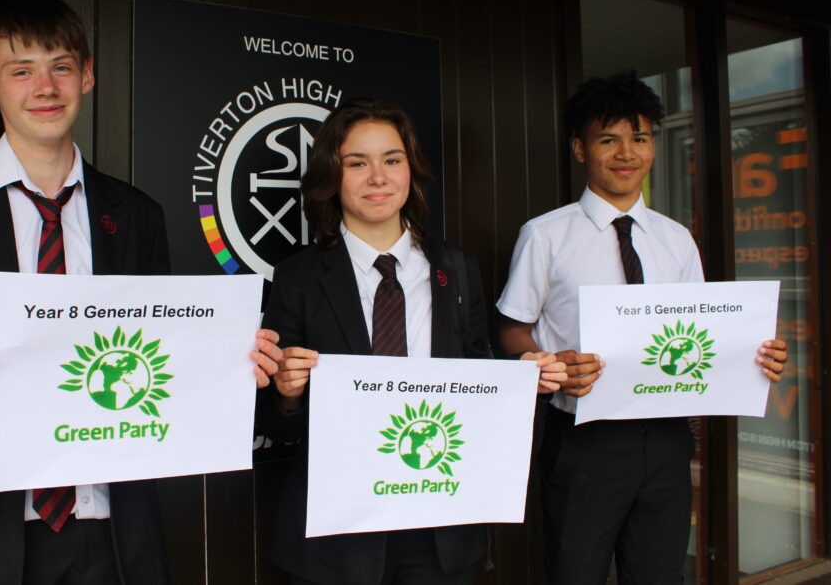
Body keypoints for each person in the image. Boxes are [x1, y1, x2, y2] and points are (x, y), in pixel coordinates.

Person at [0, 0, 282, 585]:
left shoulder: (136, 215)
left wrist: (232, 366)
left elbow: (163, 359)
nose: (45, 86)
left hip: (114, 531)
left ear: (88, 75)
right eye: (20, 71)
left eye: (61, 66)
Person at [255, 98, 566, 585]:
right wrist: (288, 393)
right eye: (357, 163)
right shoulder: (297, 277)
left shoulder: (456, 269)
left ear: (410, 171)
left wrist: (527, 378)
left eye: (392, 160)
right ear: (332, 176)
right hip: (339, 533)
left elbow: (479, 384)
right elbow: (276, 422)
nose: (377, 178)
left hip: (440, 527)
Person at [496, 72, 789, 584]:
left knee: (659, 574)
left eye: (640, 137)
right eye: (608, 139)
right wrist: (548, 362)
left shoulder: (676, 240)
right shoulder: (546, 235)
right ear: (580, 148)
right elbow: (511, 329)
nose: (626, 152)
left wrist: (753, 356)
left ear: (653, 146)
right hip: (584, 439)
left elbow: (701, 334)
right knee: (574, 573)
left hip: (668, 440)